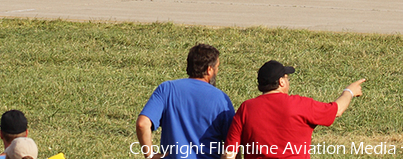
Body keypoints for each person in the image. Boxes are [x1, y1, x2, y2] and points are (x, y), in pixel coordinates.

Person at [222, 60, 365, 159]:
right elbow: (336, 110)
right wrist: (349, 91)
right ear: (281, 82)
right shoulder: (299, 104)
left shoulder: (246, 108)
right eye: (286, 77)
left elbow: (230, 152)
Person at [136, 43, 235, 159]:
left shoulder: (167, 89)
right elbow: (233, 143)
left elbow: (142, 124)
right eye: (217, 67)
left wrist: (150, 154)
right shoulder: (221, 99)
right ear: (209, 70)